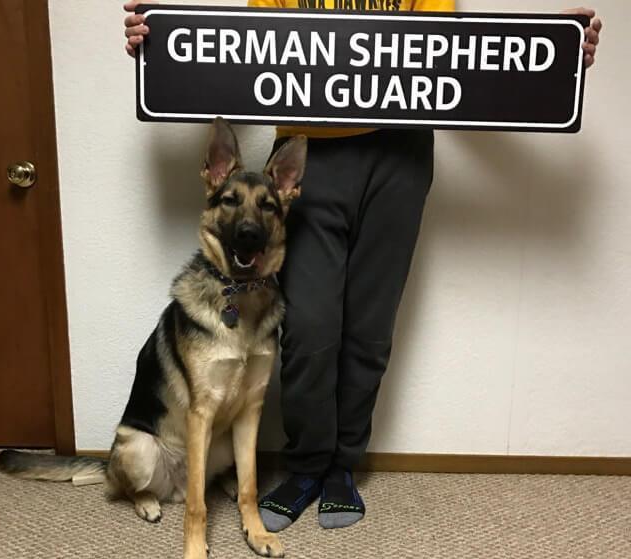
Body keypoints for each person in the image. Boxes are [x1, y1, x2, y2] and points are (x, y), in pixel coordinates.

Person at [123, 1, 602, 531]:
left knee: (370, 329)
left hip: (400, 151)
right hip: (311, 150)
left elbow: (454, 55)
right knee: (310, 329)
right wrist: (164, 44)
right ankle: (305, 465)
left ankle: (341, 468)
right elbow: (243, 51)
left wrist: (553, 52)